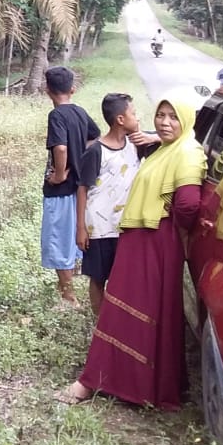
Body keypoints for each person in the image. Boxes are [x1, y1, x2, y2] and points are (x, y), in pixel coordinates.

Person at [57, 89, 205, 408]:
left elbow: (189, 205)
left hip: (155, 239)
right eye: (160, 116)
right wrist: (154, 138)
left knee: (130, 310)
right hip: (140, 237)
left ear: (187, 121)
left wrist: (170, 226)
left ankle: (102, 380)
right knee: (127, 308)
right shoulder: (167, 148)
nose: (165, 123)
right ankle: (124, 381)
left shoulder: (188, 153)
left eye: (173, 117)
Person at [75, 94, 158, 315]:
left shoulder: (136, 144)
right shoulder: (96, 151)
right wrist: (81, 228)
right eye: (133, 113)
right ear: (120, 119)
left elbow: (174, 138)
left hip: (126, 225)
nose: (138, 117)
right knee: (98, 277)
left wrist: (153, 139)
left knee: (123, 276)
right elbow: (82, 189)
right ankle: (99, 319)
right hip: (99, 228)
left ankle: (118, 320)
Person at [42, 66, 100, 307]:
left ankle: (69, 297)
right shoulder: (79, 112)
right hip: (79, 189)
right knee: (73, 237)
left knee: (58, 239)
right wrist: (82, 158)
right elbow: (95, 136)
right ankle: (65, 288)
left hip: (61, 190)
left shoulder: (56, 116)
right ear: (72, 89)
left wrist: (58, 174)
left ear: (47, 91)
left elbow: (61, 148)